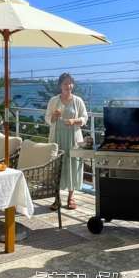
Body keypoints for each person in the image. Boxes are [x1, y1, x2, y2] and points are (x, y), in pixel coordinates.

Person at [45, 73, 88, 210]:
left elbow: (85, 118)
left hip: (73, 138)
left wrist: (74, 121)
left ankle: (71, 197)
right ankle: (56, 198)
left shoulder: (78, 101)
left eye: (70, 83)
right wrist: (53, 116)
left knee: (73, 165)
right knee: (57, 166)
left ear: (72, 85)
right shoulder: (53, 101)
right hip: (57, 138)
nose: (68, 86)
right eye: (65, 83)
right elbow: (47, 119)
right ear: (60, 85)